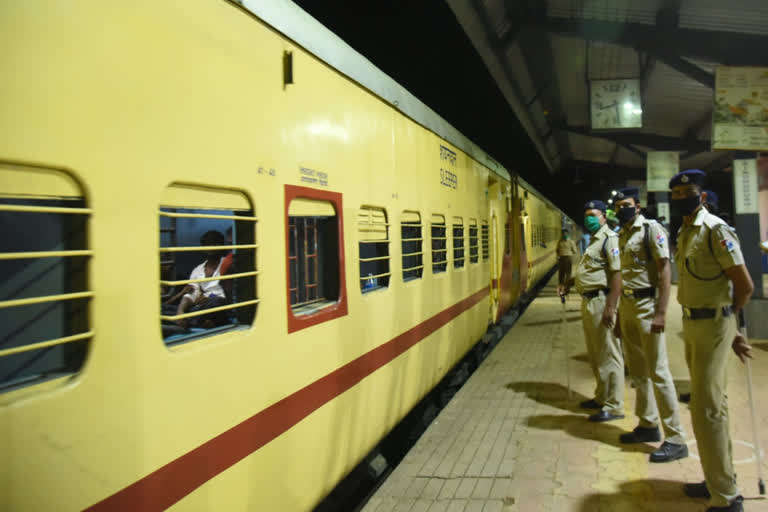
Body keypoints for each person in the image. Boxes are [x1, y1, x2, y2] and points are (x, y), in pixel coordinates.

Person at [671, 169, 754, 512]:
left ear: (701, 196)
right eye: (675, 195)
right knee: (710, 408)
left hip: (713, 325)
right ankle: (717, 479)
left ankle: (726, 497)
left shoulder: (714, 229)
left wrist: (729, 323)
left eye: (687, 193)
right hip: (694, 324)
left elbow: (744, 286)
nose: (681, 199)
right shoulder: (685, 231)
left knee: (706, 408)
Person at [613, 187, 688, 463]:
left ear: (638, 206)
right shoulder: (622, 233)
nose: (623, 209)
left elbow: (664, 269)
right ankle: (648, 424)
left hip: (647, 307)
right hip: (629, 307)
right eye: (619, 205)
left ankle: (676, 438)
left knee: (658, 371)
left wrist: (661, 312)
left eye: (627, 204)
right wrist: (620, 315)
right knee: (638, 371)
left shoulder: (651, 229)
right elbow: (624, 275)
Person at [558, 200, 624, 422]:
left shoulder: (610, 240)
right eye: (586, 215)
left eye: (594, 214)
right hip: (589, 302)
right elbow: (592, 272)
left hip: (602, 301)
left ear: (604, 217)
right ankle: (601, 397)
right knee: (596, 354)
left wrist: (611, 307)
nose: (589, 218)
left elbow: (617, 275)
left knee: (609, 354)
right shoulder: (595, 242)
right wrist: (570, 282)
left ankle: (614, 405)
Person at [165, 230, 229, 329]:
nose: (210, 247)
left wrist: (209, 298)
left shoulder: (227, 263)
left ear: (221, 245)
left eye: (214, 243)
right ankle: (190, 320)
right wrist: (180, 311)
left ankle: (188, 321)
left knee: (216, 301)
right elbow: (191, 293)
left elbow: (228, 293)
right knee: (163, 308)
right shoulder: (198, 270)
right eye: (207, 244)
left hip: (219, 306)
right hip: (199, 308)